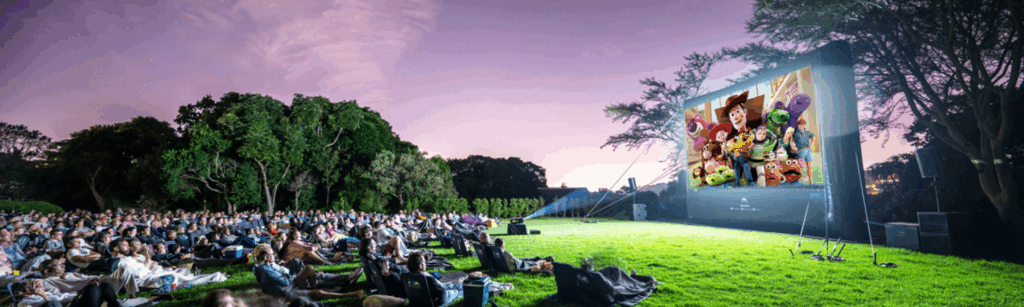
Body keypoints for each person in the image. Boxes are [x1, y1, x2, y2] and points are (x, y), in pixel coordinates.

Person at [252, 245, 363, 302]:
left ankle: (347, 278)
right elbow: (285, 281)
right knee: (317, 291)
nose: (274, 255)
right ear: (266, 257)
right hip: (285, 291)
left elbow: (283, 274)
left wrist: (286, 274)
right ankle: (350, 294)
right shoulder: (264, 270)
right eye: (272, 254)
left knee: (313, 271)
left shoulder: (268, 265)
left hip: (289, 284)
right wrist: (287, 275)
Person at [792, 119, 816, 184]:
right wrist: (794, 149)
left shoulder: (807, 132)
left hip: (808, 149)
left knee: (809, 166)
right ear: (798, 125)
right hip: (800, 150)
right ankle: (799, 181)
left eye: (803, 124)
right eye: (800, 124)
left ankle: (811, 181)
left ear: (804, 125)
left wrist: (812, 144)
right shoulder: (796, 133)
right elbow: (792, 141)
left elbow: (813, 137)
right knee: (800, 166)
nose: (801, 126)